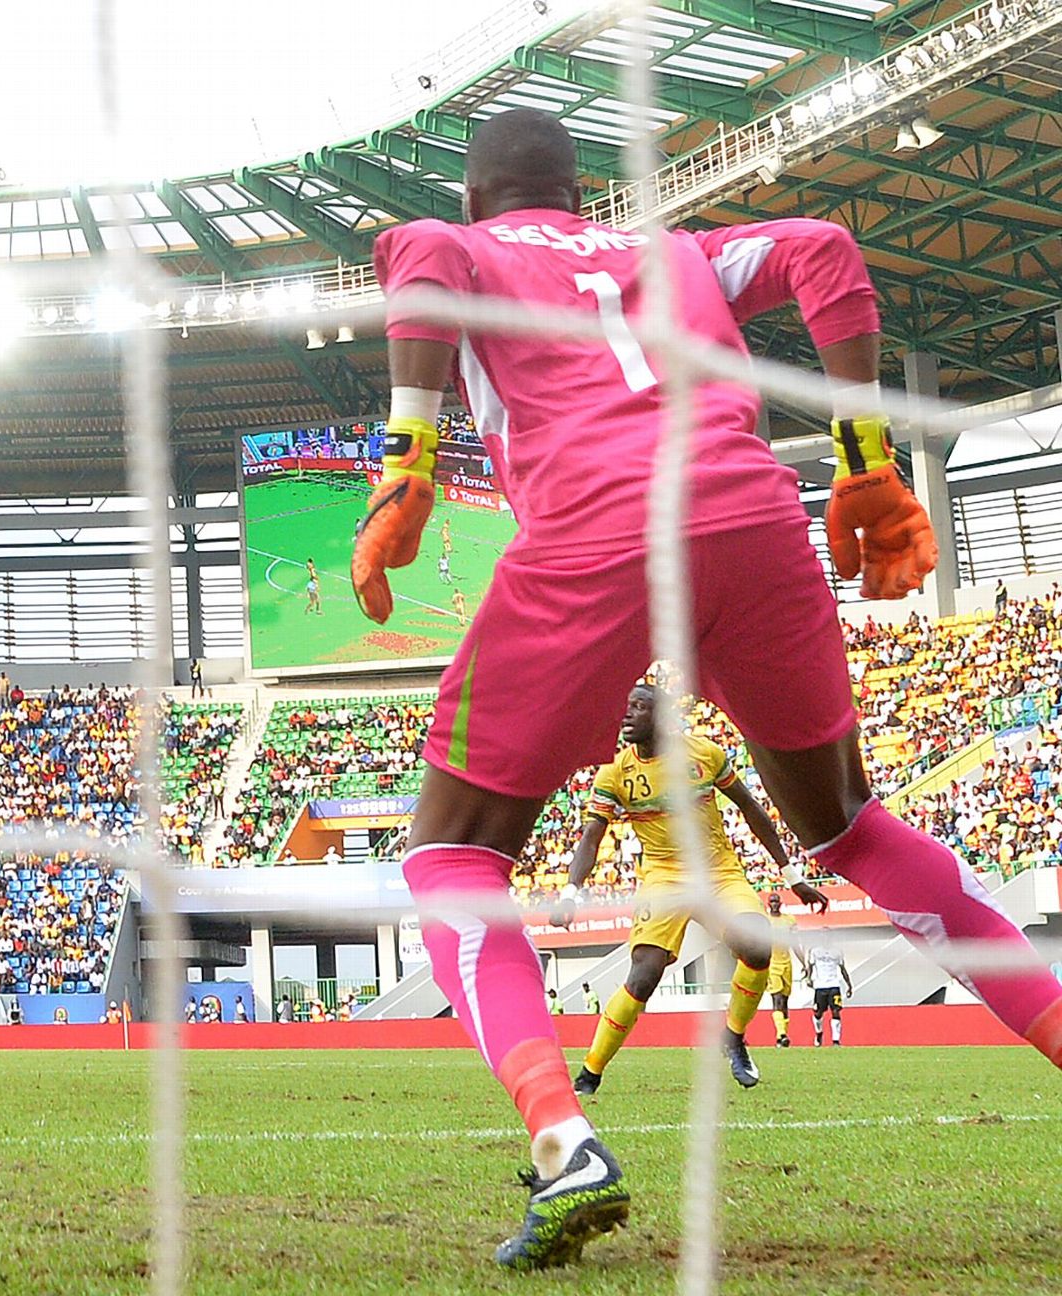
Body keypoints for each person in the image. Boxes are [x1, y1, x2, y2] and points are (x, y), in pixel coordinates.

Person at [350, 108, 1062, 1271]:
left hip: (591, 538)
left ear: (479, 197)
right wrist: (868, 463)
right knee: (850, 827)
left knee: (453, 856)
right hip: (749, 518)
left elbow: (421, 259)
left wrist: (409, 467)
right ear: (583, 199)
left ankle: (566, 1139)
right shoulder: (674, 254)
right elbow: (825, 248)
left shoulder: (465, 245)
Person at [562, 686, 827, 1094]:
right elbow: (591, 838)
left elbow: (750, 808)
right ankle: (590, 1073)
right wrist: (571, 892)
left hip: (717, 870)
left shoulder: (704, 754)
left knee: (757, 947)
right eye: (625, 706)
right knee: (644, 976)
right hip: (664, 879)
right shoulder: (613, 773)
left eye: (639, 706)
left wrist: (791, 875)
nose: (627, 714)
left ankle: (734, 1037)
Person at [765, 892, 799, 1048]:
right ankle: (781, 1035)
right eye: (771, 901)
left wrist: (805, 963)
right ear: (768, 904)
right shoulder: (765, 921)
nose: (774, 904)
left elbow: (795, 943)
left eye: (776, 901)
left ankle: (783, 1039)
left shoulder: (789, 920)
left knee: (784, 1002)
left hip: (787, 963)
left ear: (780, 903)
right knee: (777, 999)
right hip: (772, 964)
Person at [806, 942, 852, 1046]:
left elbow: (842, 968)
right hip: (820, 986)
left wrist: (849, 984)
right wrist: (809, 978)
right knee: (818, 1012)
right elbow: (810, 966)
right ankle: (819, 1033)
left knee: (836, 1011)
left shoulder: (837, 951)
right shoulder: (815, 951)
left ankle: (836, 1041)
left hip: (834, 985)